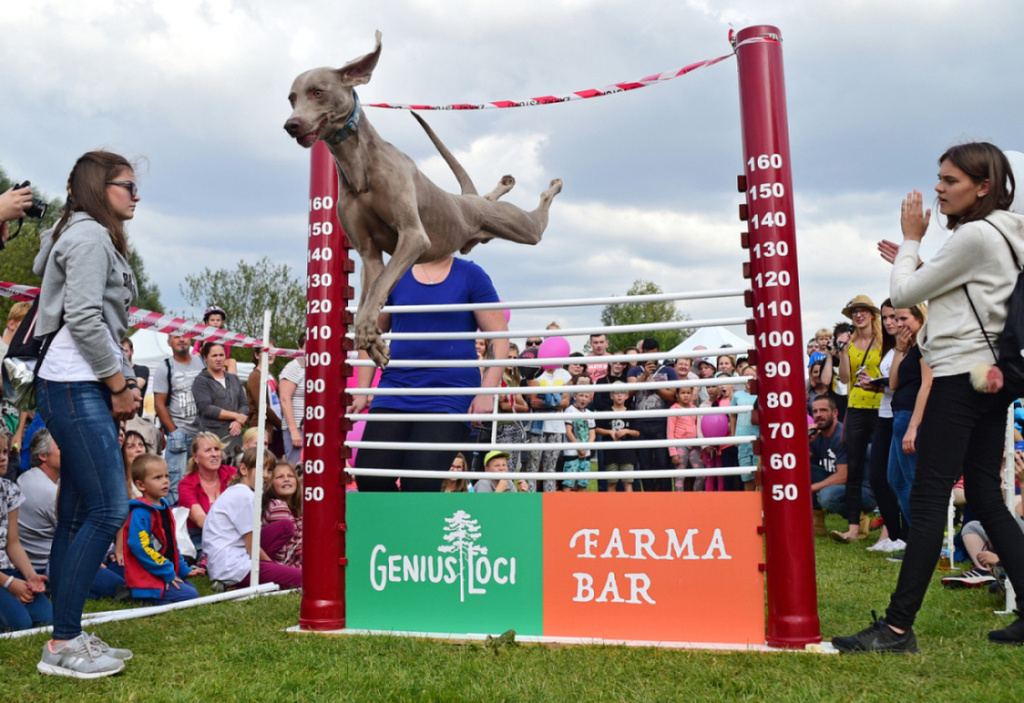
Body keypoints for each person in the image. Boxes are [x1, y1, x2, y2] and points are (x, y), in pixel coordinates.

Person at [833, 142, 1024, 652]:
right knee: (983, 492)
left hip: (960, 380)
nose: (938, 189)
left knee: (927, 497)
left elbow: (905, 296)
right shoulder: (1003, 233)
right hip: (985, 374)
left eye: (950, 180)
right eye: (939, 178)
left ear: (983, 187)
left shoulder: (977, 235)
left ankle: (896, 628)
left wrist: (911, 242)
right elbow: (954, 307)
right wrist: (916, 262)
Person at [33, 150, 141, 678]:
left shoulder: (80, 231)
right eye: (127, 185)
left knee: (78, 514)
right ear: (102, 189)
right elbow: (81, 316)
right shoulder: (89, 236)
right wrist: (118, 385)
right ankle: (61, 644)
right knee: (109, 509)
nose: (136, 194)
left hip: (78, 383)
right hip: (75, 385)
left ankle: (68, 631)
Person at [351, 256, 507, 493]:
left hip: (450, 392)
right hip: (397, 387)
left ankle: (416, 528)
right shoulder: (396, 270)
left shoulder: (471, 274)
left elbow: (498, 336)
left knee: (421, 482)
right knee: (370, 476)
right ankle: (397, 528)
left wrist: (487, 392)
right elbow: (370, 333)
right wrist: (363, 391)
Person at [204, 447, 301, 590]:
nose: (266, 475)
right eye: (261, 469)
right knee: (302, 578)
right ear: (243, 470)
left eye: (269, 470)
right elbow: (252, 547)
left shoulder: (242, 491)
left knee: (285, 527)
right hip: (232, 566)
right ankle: (233, 583)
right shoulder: (245, 496)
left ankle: (238, 581)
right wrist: (273, 568)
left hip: (234, 557)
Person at [831, 295, 884, 543]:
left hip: (881, 407)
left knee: (882, 469)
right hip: (855, 408)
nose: (858, 315)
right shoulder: (850, 344)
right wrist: (842, 351)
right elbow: (843, 378)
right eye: (854, 312)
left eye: (863, 311)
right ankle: (852, 529)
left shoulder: (883, 340)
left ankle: (888, 529)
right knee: (853, 470)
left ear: (873, 314)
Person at [123, 455, 202, 604]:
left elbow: (172, 545)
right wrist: (167, 572)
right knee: (190, 595)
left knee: (191, 591)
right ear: (141, 485)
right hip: (148, 578)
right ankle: (143, 597)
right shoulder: (140, 513)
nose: (165, 481)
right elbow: (140, 547)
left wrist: (184, 570)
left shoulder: (164, 507)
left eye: (166, 476)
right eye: (157, 478)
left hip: (163, 572)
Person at [865, 300, 906, 554]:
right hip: (884, 412)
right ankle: (895, 533)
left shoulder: (910, 347)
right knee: (879, 477)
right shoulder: (889, 348)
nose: (890, 322)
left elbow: (907, 382)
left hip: (902, 414)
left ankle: (906, 534)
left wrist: (878, 385)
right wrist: (874, 384)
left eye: (894, 317)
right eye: (886, 318)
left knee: (898, 479)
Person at [887, 303, 932, 527]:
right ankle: (918, 534)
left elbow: (927, 385)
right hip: (900, 415)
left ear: (918, 317)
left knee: (913, 479)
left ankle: (924, 536)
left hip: (911, 417)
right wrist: (899, 348)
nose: (898, 324)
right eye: (896, 319)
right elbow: (893, 382)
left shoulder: (924, 345)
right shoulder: (909, 348)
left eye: (903, 318)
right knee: (896, 479)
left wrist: (913, 426)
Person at [808, 396, 876, 537]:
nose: (818, 415)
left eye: (823, 410)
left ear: (835, 413)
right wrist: (804, 440)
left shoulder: (843, 436)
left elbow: (843, 476)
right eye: (815, 411)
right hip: (840, 482)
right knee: (804, 471)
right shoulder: (817, 435)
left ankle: (860, 518)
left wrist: (810, 489)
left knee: (826, 495)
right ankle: (817, 520)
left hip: (863, 491)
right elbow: (799, 463)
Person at [152, 332, 206, 504]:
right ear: (169, 342)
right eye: (176, 337)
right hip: (180, 433)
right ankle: (174, 525)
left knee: (202, 482)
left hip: (202, 434)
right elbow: (159, 404)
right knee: (175, 486)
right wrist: (174, 432)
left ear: (191, 339)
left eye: (185, 335)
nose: (181, 339)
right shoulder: (165, 367)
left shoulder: (201, 362)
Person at [627, 338, 678, 492]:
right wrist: (644, 378)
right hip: (640, 423)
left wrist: (654, 384)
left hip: (661, 422)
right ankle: (648, 497)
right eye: (648, 354)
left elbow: (672, 396)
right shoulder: (634, 371)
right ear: (643, 353)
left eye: (654, 354)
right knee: (645, 463)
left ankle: (665, 498)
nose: (651, 358)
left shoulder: (668, 371)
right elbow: (629, 392)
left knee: (663, 463)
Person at [177, 433, 237, 553]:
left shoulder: (232, 474)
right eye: (208, 450)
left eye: (216, 449)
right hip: (200, 537)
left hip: (234, 534)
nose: (214, 454)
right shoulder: (186, 484)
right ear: (196, 458)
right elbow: (200, 519)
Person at [191, 342, 249, 461]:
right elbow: (206, 408)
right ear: (205, 358)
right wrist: (236, 416)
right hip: (212, 439)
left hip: (235, 439)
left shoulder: (233, 378)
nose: (218, 359)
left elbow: (244, 404)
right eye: (214, 355)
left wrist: (238, 422)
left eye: (221, 355)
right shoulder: (200, 381)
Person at [594, 384, 638, 493]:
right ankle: (611, 509)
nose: (619, 395)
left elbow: (637, 432)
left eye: (622, 393)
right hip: (610, 453)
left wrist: (626, 431)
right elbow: (597, 429)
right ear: (611, 396)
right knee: (611, 483)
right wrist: (609, 432)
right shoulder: (605, 412)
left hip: (628, 454)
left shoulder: (631, 412)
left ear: (627, 396)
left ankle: (630, 508)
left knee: (628, 483)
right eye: (616, 393)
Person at [261, 459, 302, 568]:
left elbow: (299, 549)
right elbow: (281, 554)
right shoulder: (278, 506)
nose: (286, 479)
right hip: (279, 567)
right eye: (280, 477)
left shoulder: (296, 509)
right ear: (270, 483)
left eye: (290, 476)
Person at [245, 345, 283, 458]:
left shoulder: (270, 375)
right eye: (266, 351)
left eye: (272, 351)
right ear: (256, 355)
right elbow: (262, 407)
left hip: (275, 429)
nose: (270, 354)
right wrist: (282, 425)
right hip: (263, 428)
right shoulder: (255, 376)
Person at [278, 334, 306, 467]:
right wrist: (293, 431)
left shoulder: (321, 368)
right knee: (296, 469)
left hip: (314, 429)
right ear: (300, 347)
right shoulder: (294, 367)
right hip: (297, 429)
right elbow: (284, 399)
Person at [667, 386, 702, 491]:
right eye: (683, 393)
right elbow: (670, 432)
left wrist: (701, 447)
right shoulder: (674, 409)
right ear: (677, 395)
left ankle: (698, 498)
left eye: (688, 393)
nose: (686, 395)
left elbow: (698, 428)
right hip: (680, 445)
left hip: (695, 445)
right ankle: (679, 502)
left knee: (701, 473)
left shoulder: (694, 409)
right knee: (680, 476)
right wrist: (673, 452)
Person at [562, 388, 595, 492]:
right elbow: (568, 432)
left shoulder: (590, 413)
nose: (583, 399)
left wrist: (585, 448)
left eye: (586, 396)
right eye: (581, 395)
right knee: (568, 483)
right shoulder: (569, 410)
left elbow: (592, 435)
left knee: (583, 483)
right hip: (571, 452)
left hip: (586, 453)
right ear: (575, 396)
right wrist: (579, 448)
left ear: (590, 399)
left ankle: (582, 507)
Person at [193, 305, 236, 374]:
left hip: (219, 364)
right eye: (212, 320)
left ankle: (233, 382)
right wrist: (199, 355)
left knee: (232, 361)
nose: (215, 322)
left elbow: (227, 355)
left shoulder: (225, 337)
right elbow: (194, 351)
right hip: (204, 364)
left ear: (222, 322)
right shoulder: (202, 336)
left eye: (218, 320)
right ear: (207, 322)